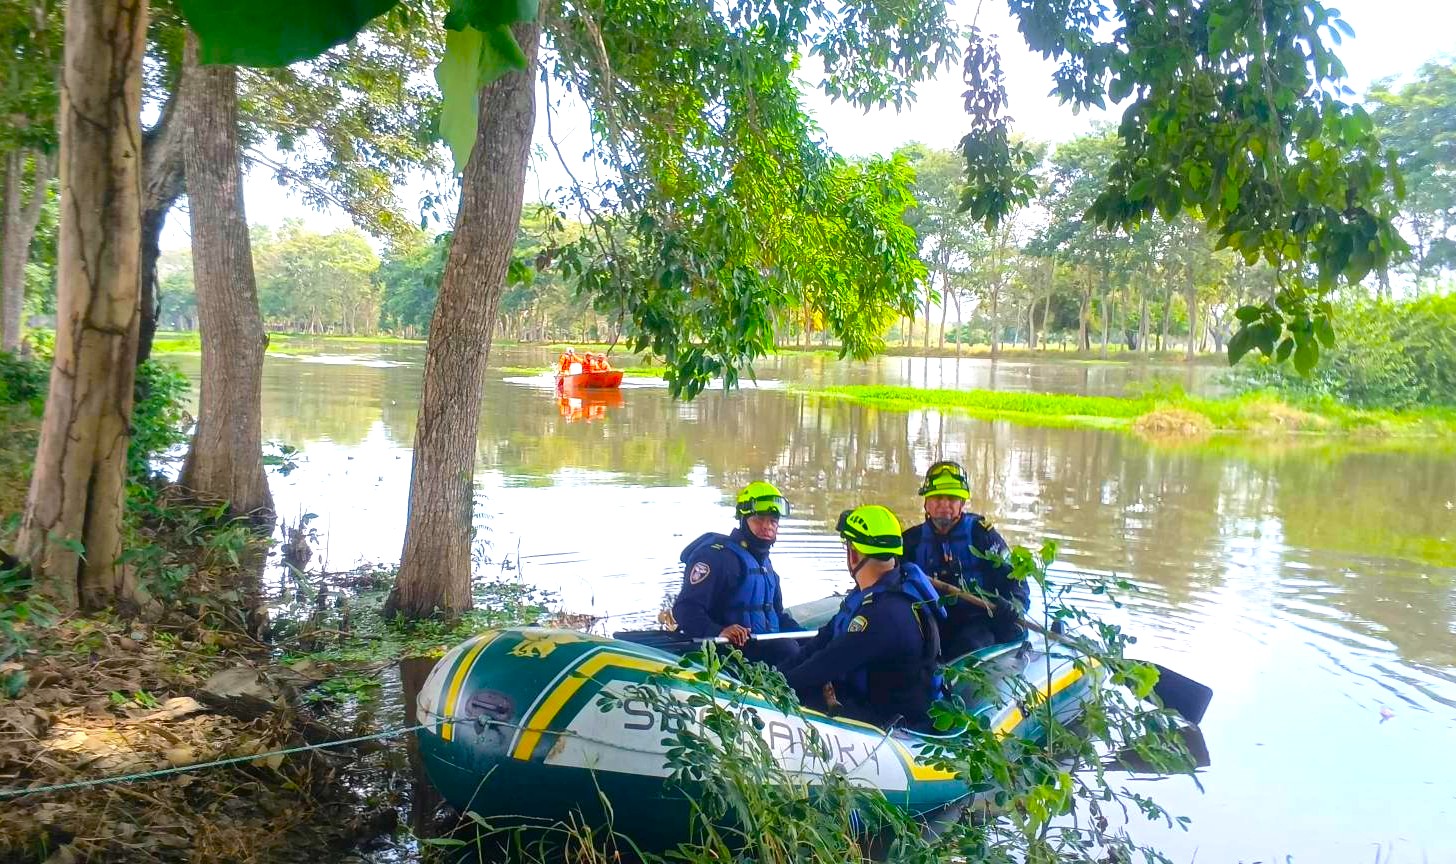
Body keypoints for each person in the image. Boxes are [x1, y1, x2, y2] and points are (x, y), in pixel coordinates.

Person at [781, 505, 942, 729]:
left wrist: (776, 689)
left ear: (854, 554)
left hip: (893, 724)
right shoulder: (875, 592)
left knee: (805, 692)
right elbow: (824, 640)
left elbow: (827, 663)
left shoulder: (884, 614)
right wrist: (775, 676)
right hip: (873, 700)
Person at [902, 460, 1029, 660]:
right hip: (931, 620)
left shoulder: (983, 535)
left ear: (962, 503)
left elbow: (1015, 578)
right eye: (937, 498)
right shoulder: (912, 540)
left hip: (977, 621)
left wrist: (1015, 604)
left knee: (968, 647)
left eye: (952, 498)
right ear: (926, 502)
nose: (944, 504)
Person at [672, 481, 804, 668]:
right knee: (787, 650)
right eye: (759, 519)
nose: (767, 526)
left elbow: (777, 614)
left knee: (808, 648)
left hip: (765, 647)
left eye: (773, 521)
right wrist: (719, 631)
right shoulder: (716, 557)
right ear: (743, 520)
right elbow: (685, 609)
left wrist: (812, 637)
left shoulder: (765, 564)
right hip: (728, 652)